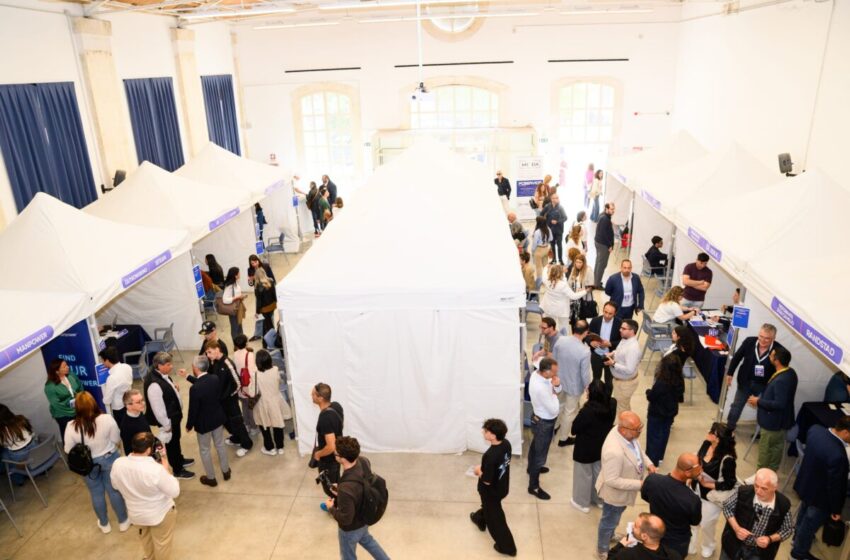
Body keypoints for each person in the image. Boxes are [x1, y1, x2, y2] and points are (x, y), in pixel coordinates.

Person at [64, 391, 130, 533]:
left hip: (88, 465)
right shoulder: (107, 419)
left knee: (96, 493)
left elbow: (68, 449)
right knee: (114, 491)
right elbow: (116, 439)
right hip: (109, 459)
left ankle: (104, 524)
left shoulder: (71, 426)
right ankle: (123, 521)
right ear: (93, 403)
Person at [111, 432, 180, 560]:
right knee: (162, 545)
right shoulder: (156, 470)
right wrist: (166, 467)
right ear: (149, 450)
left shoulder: (118, 464)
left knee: (146, 540)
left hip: (136, 514)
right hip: (160, 514)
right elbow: (175, 491)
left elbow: (115, 485)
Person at [596, 411, 655, 560]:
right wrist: (641, 484)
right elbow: (612, 480)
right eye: (637, 429)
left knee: (615, 517)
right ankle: (603, 549)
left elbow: (638, 450)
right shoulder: (614, 451)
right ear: (623, 429)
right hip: (615, 494)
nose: (640, 431)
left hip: (625, 490)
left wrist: (648, 463)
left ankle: (611, 535)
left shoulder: (628, 434)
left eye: (640, 427)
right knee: (609, 520)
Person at [790, 416, 850, 560]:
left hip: (807, 484)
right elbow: (835, 487)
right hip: (821, 497)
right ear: (846, 432)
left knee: (803, 514)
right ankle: (798, 554)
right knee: (810, 524)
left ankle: (796, 539)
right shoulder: (839, 456)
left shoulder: (815, 430)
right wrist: (836, 510)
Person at [324, 436, 390, 560]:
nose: (334, 454)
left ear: (342, 459)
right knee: (369, 542)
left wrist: (331, 508)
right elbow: (361, 486)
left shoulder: (346, 488)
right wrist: (342, 490)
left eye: (336, 453)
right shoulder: (363, 461)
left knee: (348, 556)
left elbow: (346, 519)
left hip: (350, 530)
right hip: (364, 519)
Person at [720, 468, 793, 560]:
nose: (758, 491)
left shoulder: (783, 504)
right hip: (733, 543)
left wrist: (770, 539)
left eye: (764, 488)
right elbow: (727, 507)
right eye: (756, 486)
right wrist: (737, 528)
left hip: (760, 553)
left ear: (775, 487)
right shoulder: (743, 492)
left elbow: (788, 529)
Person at [143, 352, 195, 480]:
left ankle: (179, 459)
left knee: (176, 441)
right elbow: (158, 409)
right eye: (168, 364)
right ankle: (177, 469)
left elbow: (166, 393)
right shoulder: (154, 385)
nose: (171, 366)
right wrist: (167, 426)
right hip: (168, 422)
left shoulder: (162, 376)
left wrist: (174, 389)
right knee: (172, 444)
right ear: (159, 366)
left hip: (173, 417)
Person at [690, 423, 738, 558]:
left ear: (718, 438)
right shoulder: (706, 444)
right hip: (695, 489)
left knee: (706, 524)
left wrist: (708, 484)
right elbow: (698, 460)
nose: (708, 433)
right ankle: (691, 543)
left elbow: (729, 483)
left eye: (712, 432)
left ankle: (708, 544)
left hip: (711, 496)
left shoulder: (727, 459)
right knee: (692, 519)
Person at [470, 418, 516, 557]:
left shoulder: (490, 456)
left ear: (493, 435)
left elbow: (487, 480)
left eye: (486, 431)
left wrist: (478, 471)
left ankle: (508, 547)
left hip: (491, 491)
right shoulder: (506, 444)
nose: (484, 432)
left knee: (496, 519)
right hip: (502, 487)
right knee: (489, 508)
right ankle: (480, 518)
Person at [641, 453, 703, 557]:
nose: (701, 470)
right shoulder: (692, 500)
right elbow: (695, 521)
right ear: (687, 472)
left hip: (653, 536)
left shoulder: (652, 480)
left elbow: (646, 497)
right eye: (699, 466)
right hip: (677, 544)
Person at [724, 324, 784, 431]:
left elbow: (780, 370)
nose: (763, 340)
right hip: (745, 382)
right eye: (761, 336)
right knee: (736, 406)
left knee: (764, 409)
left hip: (764, 386)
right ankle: (729, 428)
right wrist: (730, 373)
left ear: (773, 338)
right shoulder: (749, 342)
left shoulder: (778, 350)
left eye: (767, 338)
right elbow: (737, 357)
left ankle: (760, 432)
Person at [571, 381, 617, 514]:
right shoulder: (612, 404)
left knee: (584, 475)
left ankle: (581, 502)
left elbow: (574, 429)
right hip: (602, 446)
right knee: (598, 474)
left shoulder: (587, 411)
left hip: (585, 448)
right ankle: (598, 499)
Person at [748, 346, 797, 471]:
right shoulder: (790, 372)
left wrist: (759, 401)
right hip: (780, 422)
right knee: (776, 448)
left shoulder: (781, 380)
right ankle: (771, 472)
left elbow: (779, 404)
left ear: (777, 361)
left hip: (772, 423)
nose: (769, 356)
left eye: (772, 355)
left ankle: (761, 474)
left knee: (766, 450)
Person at [185, 355, 230, 487]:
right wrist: (188, 376)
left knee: (205, 450)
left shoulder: (195, 389)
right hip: (217, 418)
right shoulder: (214, 378)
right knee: (220, 444)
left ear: (195, 368)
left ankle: (211, 477)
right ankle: (226, 471)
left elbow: (193, 409)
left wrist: (189, 425)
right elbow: (203, 384)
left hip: (203, 423)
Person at [204, 341, 253, 456]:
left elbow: (238, 383)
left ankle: (247, 444)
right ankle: (236, 438)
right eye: (207, 353)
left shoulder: (227, 363)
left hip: (230, 401)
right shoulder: (214, 363)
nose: (208, 355)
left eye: (209, 352)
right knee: (226, 421)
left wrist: (229, 396)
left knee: (237, 422)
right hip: (221, 401)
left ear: (217, 349)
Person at [553, 320, 591, 447]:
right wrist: (588, 387)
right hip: (574, 385)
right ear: (586, 333)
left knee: (559, 405)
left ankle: (555, 427)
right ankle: (563, 438)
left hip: (559, 380)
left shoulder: (561, 340)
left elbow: (554, 359)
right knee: (570, 411)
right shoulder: (585, 351)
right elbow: (585, 374)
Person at [527, 357, 561, 500]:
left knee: (535, 446)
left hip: (537, 418)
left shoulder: (537, 373)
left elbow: (557, 389)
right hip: (544, 423)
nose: (556, 374)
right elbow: (554, 410)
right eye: (553, 372)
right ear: (546, 371)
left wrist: (556, 387)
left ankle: (531, 468)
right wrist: (555, 393)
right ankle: (533, 486)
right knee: (540, 456)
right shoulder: (540, 388)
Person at [644, 355, 685, 467]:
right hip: (670, 412)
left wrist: (648, 391)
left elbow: (652, 396)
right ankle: (660, 456)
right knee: (664, 434)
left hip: (656, 413)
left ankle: (652, 460)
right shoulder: (680, 379)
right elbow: (680, 395)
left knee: (653, 436)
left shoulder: (661, 382)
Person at [253, 349, 292, 456]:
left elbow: (254, 391)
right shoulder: (275, 369)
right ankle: (280, 447)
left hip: (263, 403)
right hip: (275, 400)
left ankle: (269, 447)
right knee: (277, 424)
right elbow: (279, 381)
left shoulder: (256, 374)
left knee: (264, 425)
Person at [313, 382, 344, 498]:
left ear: (320, 398)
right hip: (336, 456)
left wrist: (318, 454)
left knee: (330, 487)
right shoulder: (336, 406)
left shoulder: (325, 418)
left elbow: (331, 447)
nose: (311, 396)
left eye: (313, 395)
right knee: (336, 481)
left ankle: (337, 508)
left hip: (328, 460)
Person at [604, 319, 641, 415]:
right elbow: (619, 350)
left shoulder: (633, 348)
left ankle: (624, 427)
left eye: (624, 328)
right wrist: (612, 353)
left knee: (622, 409)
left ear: (632, 331)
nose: (620, 330)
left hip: (625, 384)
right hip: (620, 381)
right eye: (621, 327)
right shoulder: (625, 339)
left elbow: (629, 370)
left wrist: (613, 364)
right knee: (622, 405)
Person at [608, 513, 682, 560]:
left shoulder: (628, 554)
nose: (632, 526)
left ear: (644, 536)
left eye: (636, 526)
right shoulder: (674, 555)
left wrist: (620, 545)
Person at [44, 358, 83, 442]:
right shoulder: (50, 386)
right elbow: (56, 405)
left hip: (76, 408)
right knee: (68, 434)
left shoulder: (71, 375)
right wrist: (72, 412)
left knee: (79, 431)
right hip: (63, 415)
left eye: (67, 365)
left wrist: (80, 401)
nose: (67, 367)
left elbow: (80, 387)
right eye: (64, 366)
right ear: (57, 371)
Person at [540, 263, 587, 329]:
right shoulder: (563, 285)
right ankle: (562, 339)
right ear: (560, 273)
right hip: (561, 310)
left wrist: (545, 267)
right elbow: (573, 296)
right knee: (563, 329)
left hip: (549, 308)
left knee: (549, 326)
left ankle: (549, 338)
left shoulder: (547, 281)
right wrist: (585, 291)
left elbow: (544, 275)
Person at [588, 302, 622, 391]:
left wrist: (611, 344)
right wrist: (591, 342)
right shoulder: (595, 321)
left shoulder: (619, 323)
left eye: (610, 313)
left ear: (615, 313)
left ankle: (606, 400)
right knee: (596, 379)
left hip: (611, 355)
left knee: (609, 381)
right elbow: (587, 336)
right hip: (596, 354)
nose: (607, 315)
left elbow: (622, 341)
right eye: (605, 312)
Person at [0, 404, 37, 485]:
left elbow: (3, 444)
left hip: (19, 455)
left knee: (5, 457)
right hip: (34, 447)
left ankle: (19, 480)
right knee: (5, 453)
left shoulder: (3, 432)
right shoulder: (21, 419)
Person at [98, 346, 133, 427]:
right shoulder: (127, 367)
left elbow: (107, 401)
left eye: (102, 361)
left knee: (124, 430)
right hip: (130, 402)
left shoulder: (112, 378)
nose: (102, 363)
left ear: (107, 360)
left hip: (119, 409)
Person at [232, 334, 258, 435]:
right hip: (249, 386)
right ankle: (254, 428)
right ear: (246, 343)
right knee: (251, 407)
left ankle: (246, 425)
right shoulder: (250, 355)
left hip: (240, 385)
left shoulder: (235, 354)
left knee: (244, 406)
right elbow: (253, 372)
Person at [119, 389, 152, 455]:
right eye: (138, 402)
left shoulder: (139, 412)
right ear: (128, 406)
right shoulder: (126, 426)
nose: (143, 403)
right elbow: (129, 451)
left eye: (142, 400)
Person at [568, 253, 596, 329]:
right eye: (576, 262)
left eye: (580, 262)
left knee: (581, 320)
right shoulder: (574, 269)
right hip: (574, 299)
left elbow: (592, 286)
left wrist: (583, 289)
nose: (578, 264)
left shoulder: (588, 270)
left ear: (584, 262)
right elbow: (569, 282)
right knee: (573, 320)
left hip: (583, 299)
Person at [253, 267, 277, 348]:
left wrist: (257, 312)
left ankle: (267, 343)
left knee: (266, 326)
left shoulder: (258, 287)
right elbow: (274, 295)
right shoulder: (271, 281)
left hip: (264, 309)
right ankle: (272, 340)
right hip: (272, 306)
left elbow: (259, 302)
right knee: (269, 323)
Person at [221, 266, 246, 343]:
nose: (240, 274)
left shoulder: (235, 284)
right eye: (238, 273)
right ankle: (236, 344)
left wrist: (241, 296)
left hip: (238, 307)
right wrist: (236, 297)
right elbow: (225, 300)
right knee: (235, 327)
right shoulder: (229, 286)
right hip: (233, 309)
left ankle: (241, 342)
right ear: (235, 275)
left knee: (239, 324)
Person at [542, 192, 568, 264]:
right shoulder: (547, 206)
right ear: (551, 199)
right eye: (553, 198)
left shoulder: (561, 207)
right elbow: (541, 214)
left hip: (559, 229)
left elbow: (565, 218)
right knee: (552, 245)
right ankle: (554, 259)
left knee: (559, 245)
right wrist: (545, 223)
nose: (555, 199)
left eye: (556, 198)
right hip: (550, 229)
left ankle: (560, 259)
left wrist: (557, 221)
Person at [594, 203, 616, 287]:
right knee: (602, 264)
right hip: (603, 244)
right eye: (611, 209)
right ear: (606, 208)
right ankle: (597, 284)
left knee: (598, 262)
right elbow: (604, 234)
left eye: (614, 209)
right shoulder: (605, 219)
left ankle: (596, 280)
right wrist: (610, 245)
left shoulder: (603, 215)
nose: (613, 211)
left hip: (599, 242)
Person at [530, 216, 551, 282]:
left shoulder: (537, 232)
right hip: (546, 248)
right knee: (545, 266)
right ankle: (548, 278)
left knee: (538, 267)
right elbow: (551, 239)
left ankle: (540, 281)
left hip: (539, 250)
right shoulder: (548, 229)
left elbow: (534, 243)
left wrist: (532, 251)